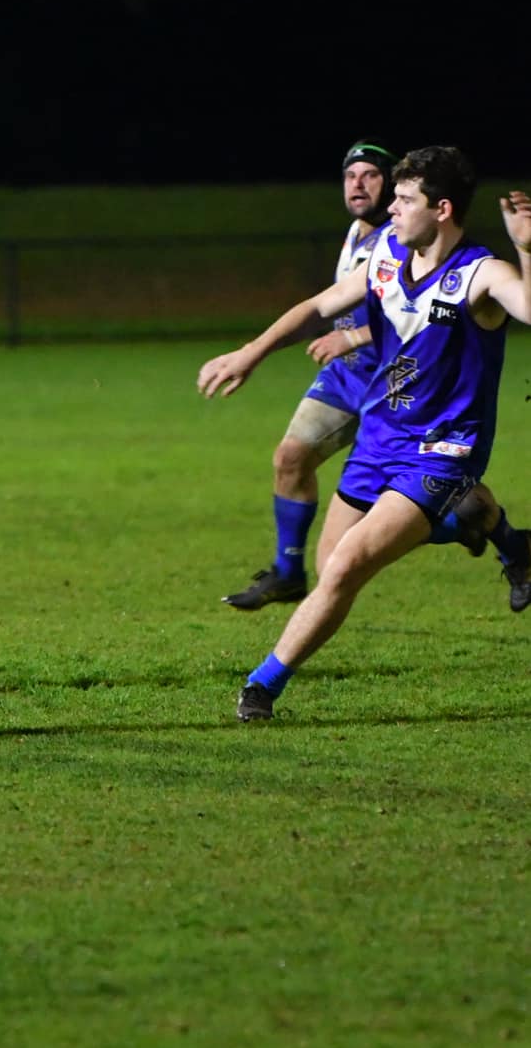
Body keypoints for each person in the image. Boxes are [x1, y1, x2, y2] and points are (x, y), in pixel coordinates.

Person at [197, 147, 531, 721]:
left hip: (442, 451)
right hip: (379, 440)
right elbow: (319, 304)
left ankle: (262, 685)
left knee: (349, 563)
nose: (392, 210)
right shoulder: (384, 256)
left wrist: (526, 246)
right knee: (333, 572)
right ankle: (494, 529)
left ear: (443, 209)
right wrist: (252, 353)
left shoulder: (480, 273)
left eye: (405, 200)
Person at [221, 141, 397, 609]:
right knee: (291, 458)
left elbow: (416, 315)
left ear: (393, 183)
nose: (357, 184)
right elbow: (325, 307)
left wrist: (355, 336)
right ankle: (286, 571)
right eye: (350, 175)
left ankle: (503, 536)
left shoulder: (404, 239)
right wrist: (253, 350)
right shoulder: (358, 232)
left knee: (428, 496)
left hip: (395, 381)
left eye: (370, 175)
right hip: (348, 375)